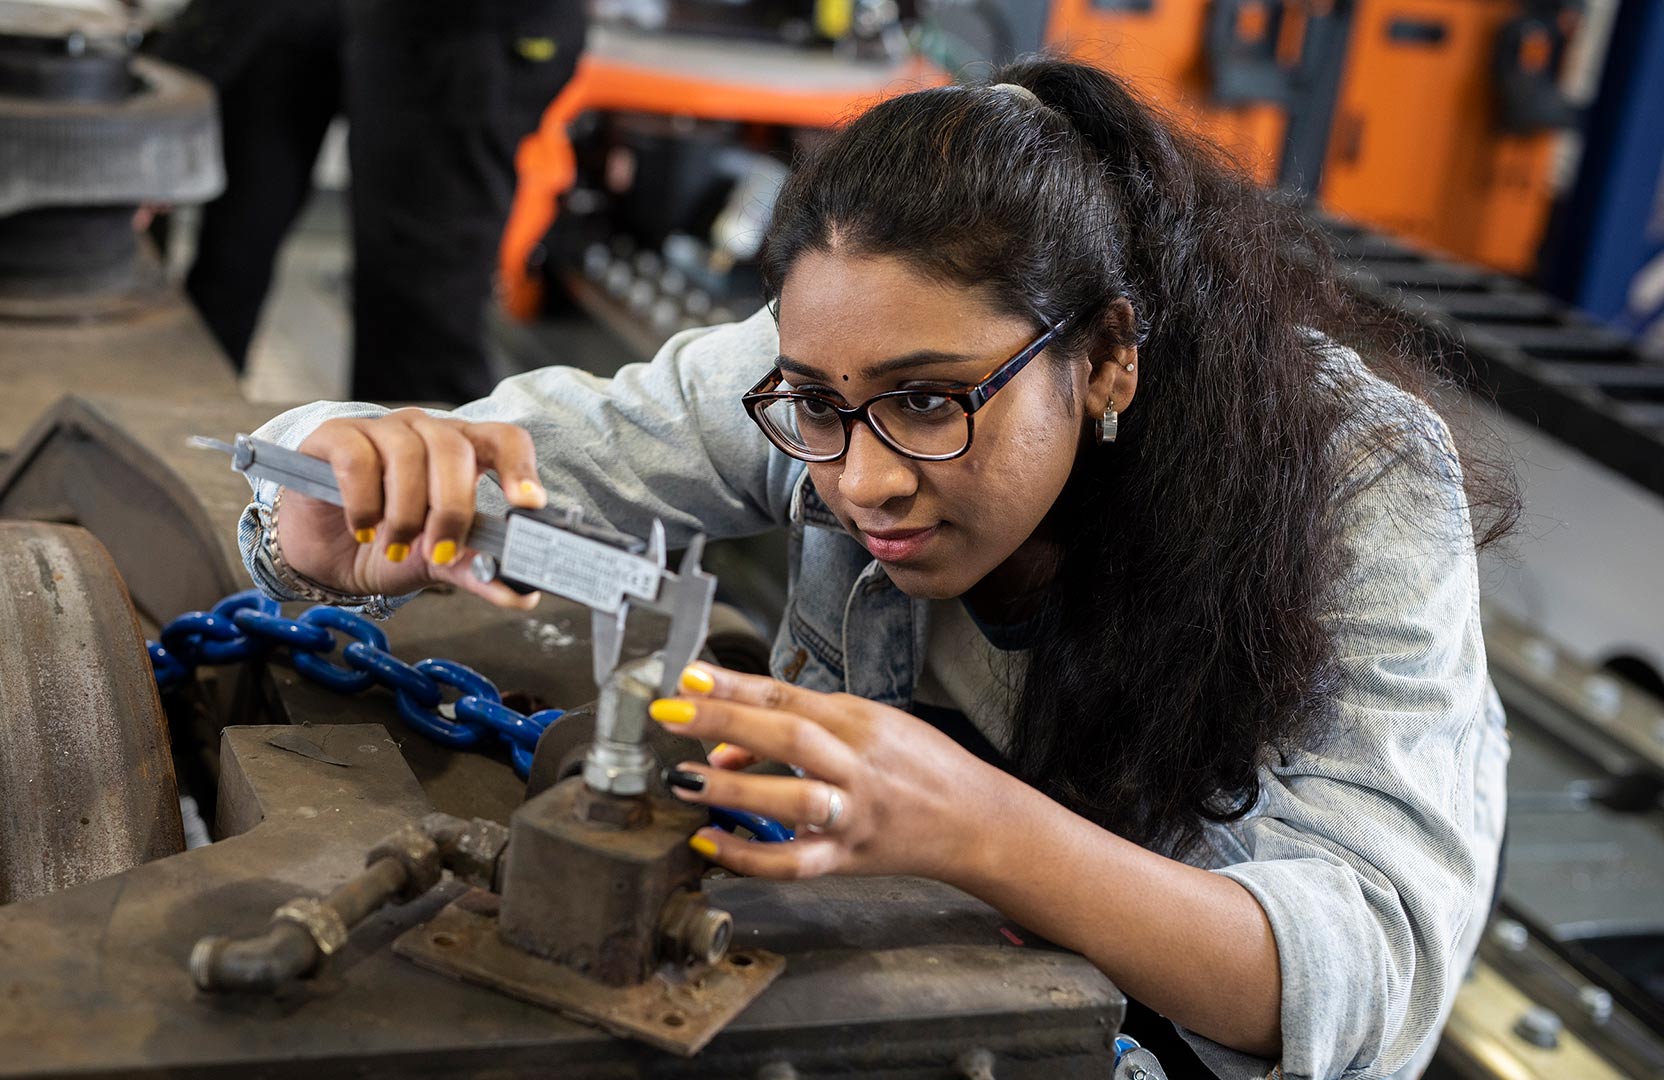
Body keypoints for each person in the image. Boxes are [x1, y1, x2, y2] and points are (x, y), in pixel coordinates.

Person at [234, 57, 1515, 1080]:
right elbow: (510, 450)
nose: (862, 478)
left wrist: (979, 829)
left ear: (1109, 355)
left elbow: (1374, 978)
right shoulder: (844, 358)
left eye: (931, 403)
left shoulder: (1355, 480)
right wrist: (327, 502)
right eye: (816, 406)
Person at [154, 0, 585, 403]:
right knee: (232, 256)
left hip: (461, 24)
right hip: (336, 17)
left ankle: (414, 474)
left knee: (417, 321)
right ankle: (188, 437)